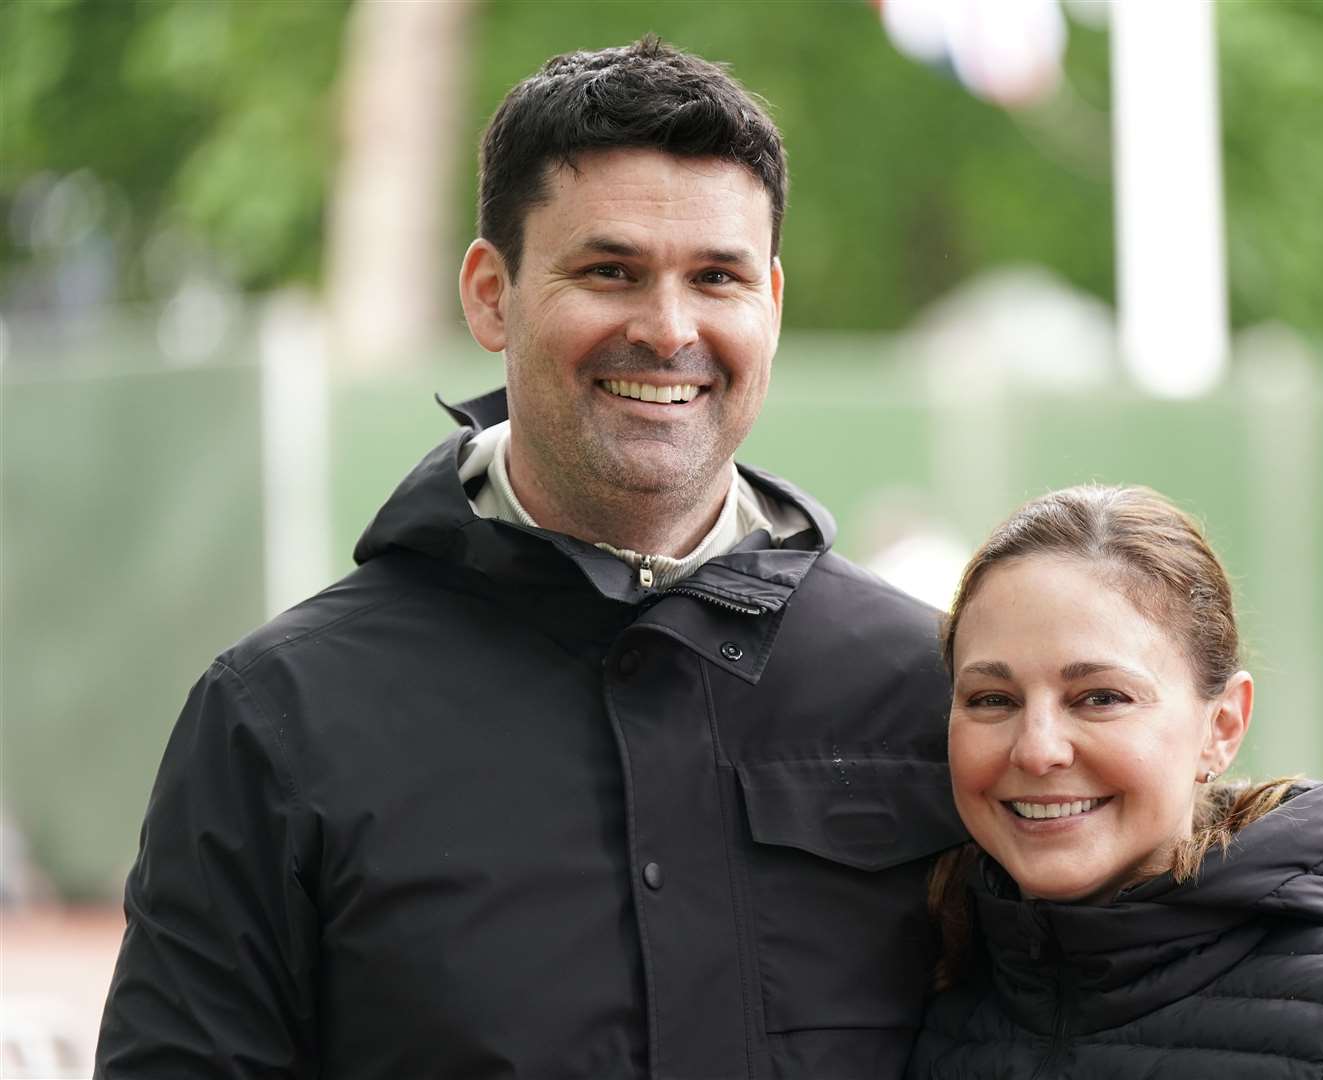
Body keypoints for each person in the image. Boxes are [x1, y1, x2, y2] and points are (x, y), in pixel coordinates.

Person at [97, 36, 964, 1079]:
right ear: (488, 293)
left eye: (717, 277)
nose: (668, 327)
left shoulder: (933, 693)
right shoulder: (277, 719)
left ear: (770, 304)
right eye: (610, 271)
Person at [908, 485, 1323, 1080]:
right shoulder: (926, 997)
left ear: (1222, 726)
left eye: (1100, 697)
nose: (1038, 748)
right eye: (992, 699)